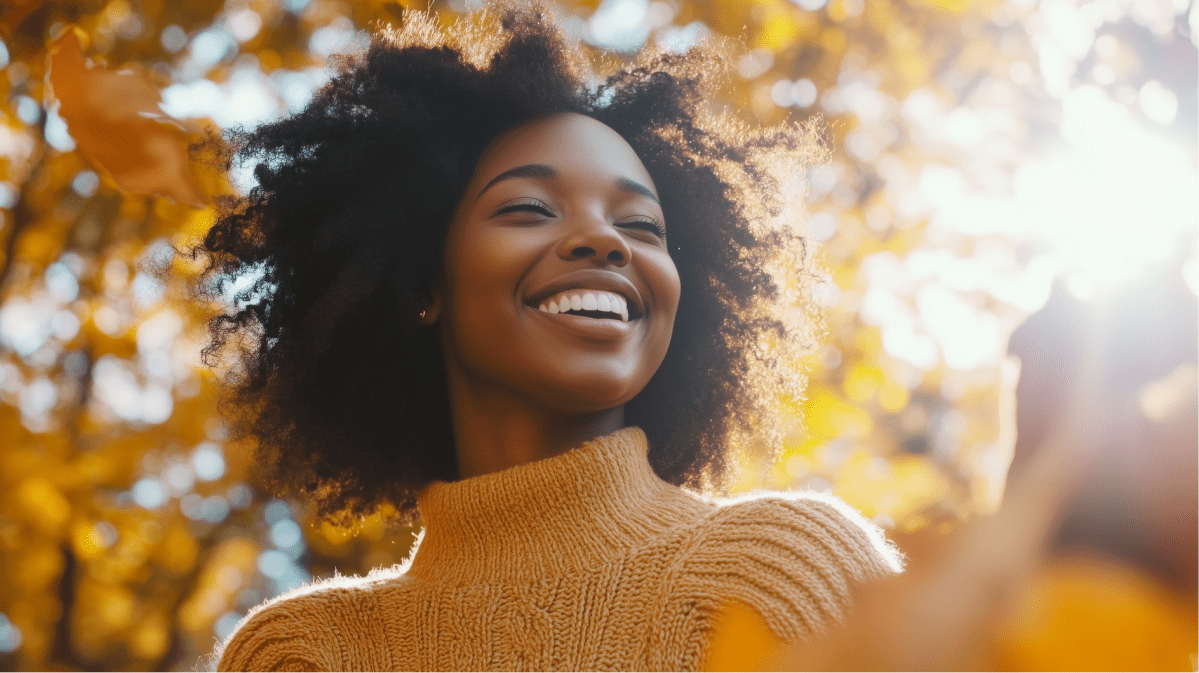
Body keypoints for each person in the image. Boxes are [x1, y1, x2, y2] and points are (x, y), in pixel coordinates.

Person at [199, 5, 900, 671]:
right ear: (420, 282)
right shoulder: (300, 653)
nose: (603, 239)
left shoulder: (785, 571)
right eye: (530, 208)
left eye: (642, 226)